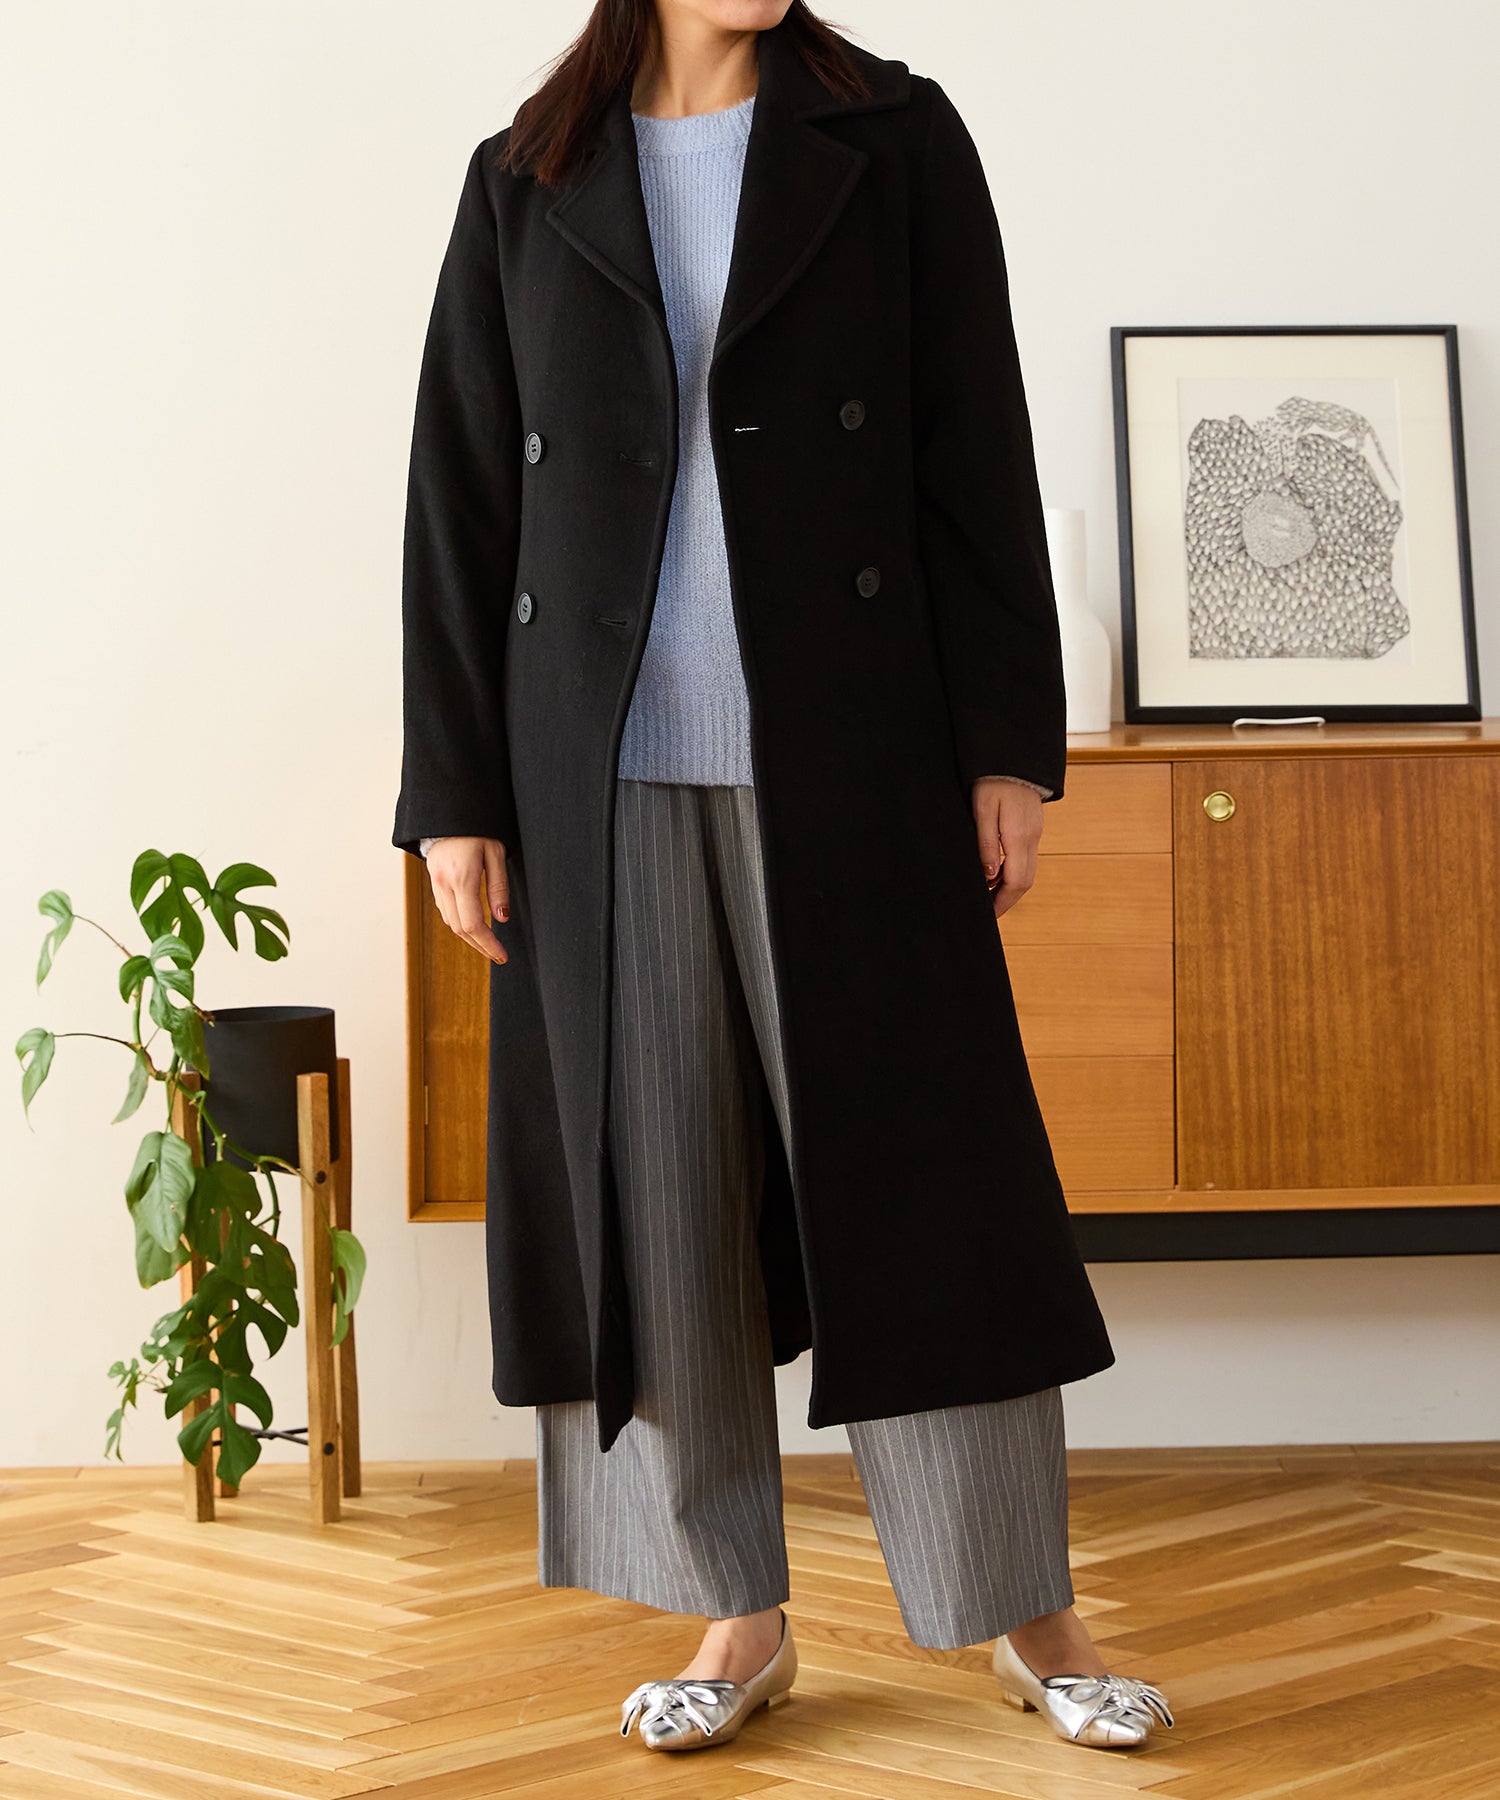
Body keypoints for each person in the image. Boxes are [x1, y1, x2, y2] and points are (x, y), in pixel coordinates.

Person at [395, 0, 1174, 1758]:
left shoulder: (891, 136)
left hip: (856, 750)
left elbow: (973, 444)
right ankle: (734, 1611)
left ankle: (1026, 1608)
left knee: (933, 1187)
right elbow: (459, 493)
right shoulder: (528, 175)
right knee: (656, 1204)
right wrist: (453, 792)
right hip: (595, 771)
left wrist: (1007, 745)